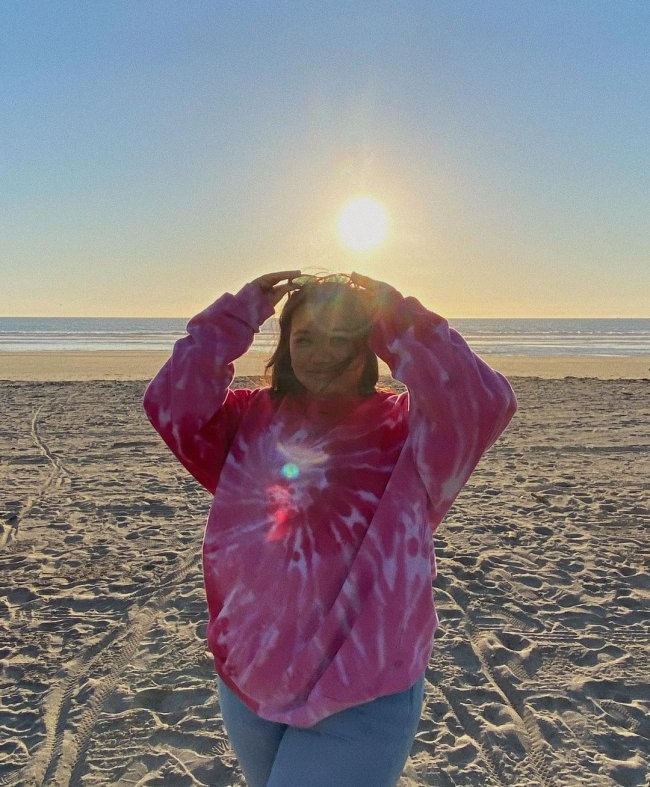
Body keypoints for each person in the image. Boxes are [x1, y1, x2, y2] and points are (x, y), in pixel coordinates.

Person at [143, 269, 517, 787]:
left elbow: (483, 399)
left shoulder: (415, 433)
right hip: (250, 673)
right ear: (285, 343)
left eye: (344, 338)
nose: (321, 353)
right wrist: (237, 315)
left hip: (362, 686)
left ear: (371, 348)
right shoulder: (247, 418)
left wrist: (399, 316)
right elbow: (170, 401)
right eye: (307, 338)